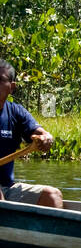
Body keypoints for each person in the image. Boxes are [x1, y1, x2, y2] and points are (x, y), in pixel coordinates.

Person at [0, 59, 63, 208]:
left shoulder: (16, 112)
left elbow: (42, 133)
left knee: (53, 196)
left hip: (7, 188)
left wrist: (46, 139)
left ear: (12, 87)